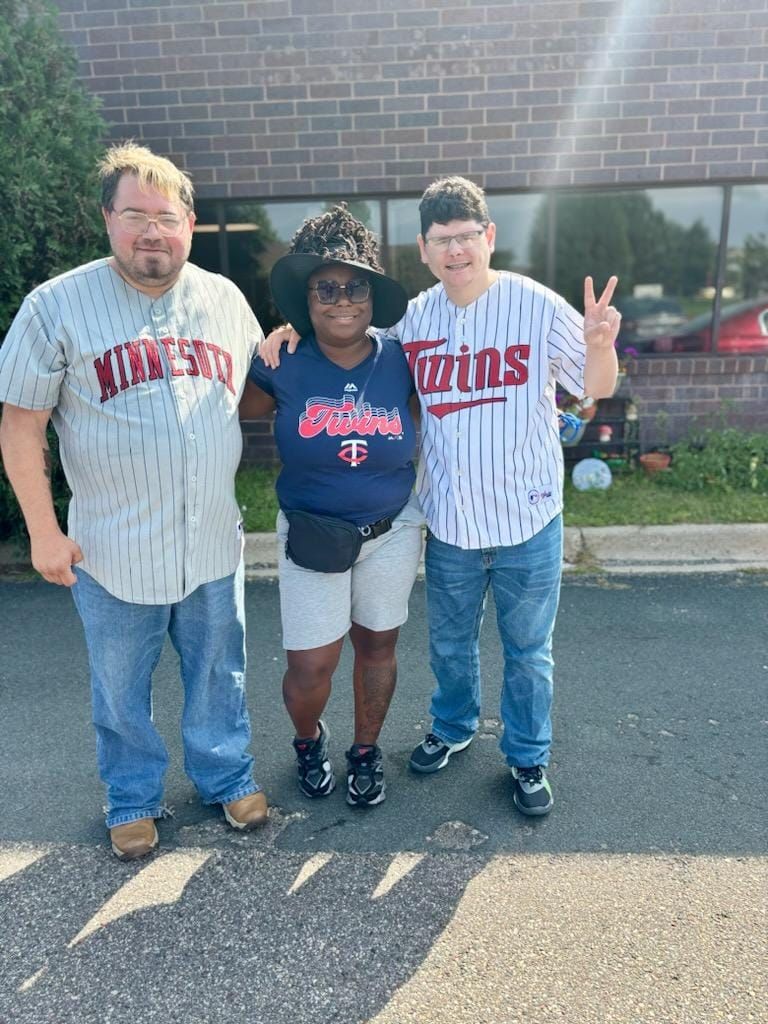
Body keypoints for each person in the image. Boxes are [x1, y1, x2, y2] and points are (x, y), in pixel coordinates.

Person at [261, 177, 620, 817]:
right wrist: (285, 328)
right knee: (450, 646)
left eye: (466, 237)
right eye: (441, 240)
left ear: (489, 238)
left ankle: (528, 755)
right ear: (424, 250)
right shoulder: (413, 320)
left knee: (529, 651)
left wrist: (599, 347)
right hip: (451, 519)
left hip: (529, 517)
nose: (455, 251)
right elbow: (343, 332)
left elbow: (593, 388)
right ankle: (452, 730)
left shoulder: (535, 304)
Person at [0, 143, 268, 859]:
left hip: (212, 540)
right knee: (120, 689)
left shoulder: (224, 300)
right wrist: (42, 531)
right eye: (135, 215)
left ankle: (225, 776)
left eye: (167, 216)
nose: (153, 231)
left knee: (220, 671)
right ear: (107, 219)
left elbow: (258, 383)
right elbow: (21, 423)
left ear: (189, 222)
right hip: (114, 548)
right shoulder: (55, 306)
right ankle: (132, 797)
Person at [240, 205, 423, 807]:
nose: (341, 299)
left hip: (392, 530)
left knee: (377, 647)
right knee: (311, 665)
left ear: (372, 296)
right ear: (307, 298)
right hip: (312, 534)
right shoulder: (281, 360)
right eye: (325, 288)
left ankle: (365, 751)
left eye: (355, 286)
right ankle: (306, 739)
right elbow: (232, 413)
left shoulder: (404, 359)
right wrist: (262, 341)